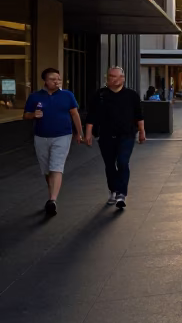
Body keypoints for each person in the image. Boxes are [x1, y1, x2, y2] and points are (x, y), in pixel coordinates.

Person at [22, 68, 84, 216]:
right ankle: (52, 194)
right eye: (53, 79)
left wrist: (79, 133)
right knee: (47, 169)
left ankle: (52, 200)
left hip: (63, 135)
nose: (56, 81)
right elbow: (25, 115)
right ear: (45, 81)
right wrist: (33, 115)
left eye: (59, 79)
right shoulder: (35, 96)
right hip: (41, 136)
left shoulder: (67, 95)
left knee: (56, 165)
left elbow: (75, 114)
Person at [84, 66, 145, 209]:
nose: (115, 79)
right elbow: (91, 115)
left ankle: (121, 194)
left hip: (127, 135)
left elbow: (139, 115)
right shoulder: (100, 95)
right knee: (110, 165)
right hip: (106, 135)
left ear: (123, 78)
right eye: (112, 76)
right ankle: (113, 190)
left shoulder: (132, 95)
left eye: (119, 76)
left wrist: (142, 131)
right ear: (107, 78)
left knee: (123, 162)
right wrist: (88, 133)